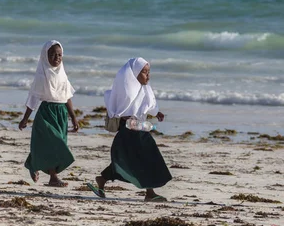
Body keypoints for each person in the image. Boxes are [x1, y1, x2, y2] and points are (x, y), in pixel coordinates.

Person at [87, 57, 172, 202]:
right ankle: (149, 192)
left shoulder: (145, 89)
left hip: (140, 130)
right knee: (136, 160)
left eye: (148, 72)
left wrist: (156, 112)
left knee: (140, 159)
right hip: (128, 133)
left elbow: (149, 105)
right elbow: (118, 107)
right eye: (144, 72)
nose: (148, 76)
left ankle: (103, 179)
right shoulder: (126, 90)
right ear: (134, 74)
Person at [18, 41, 79, 187]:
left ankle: (32, 164)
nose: (56, 58)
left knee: (55, 143)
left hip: (61, 114)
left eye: (59, 55)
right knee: (55, 144)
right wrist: (25, 119)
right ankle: (53, 177)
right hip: (46, 113)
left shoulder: (62, 73)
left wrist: (74, 118)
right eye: (52, 55)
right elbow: (33, 98)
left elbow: (67, 97)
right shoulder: (42, 75)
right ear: (45, 57)